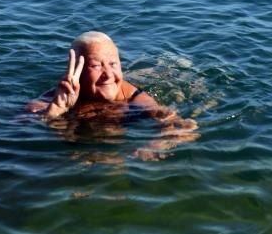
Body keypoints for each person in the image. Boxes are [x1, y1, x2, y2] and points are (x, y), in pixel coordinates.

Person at [27, 30, 199, 160]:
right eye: (96, 66)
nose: (108, 74)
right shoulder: (52, 100)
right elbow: (19, 132)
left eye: (113, 64)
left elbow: (185, 126)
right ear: (76, 71)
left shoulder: (132, 96)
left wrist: (155, 146)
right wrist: (54, 112)